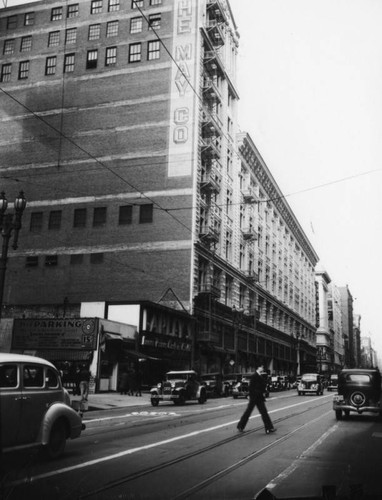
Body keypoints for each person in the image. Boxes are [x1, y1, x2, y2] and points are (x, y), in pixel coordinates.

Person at [237, 364, 276, 434]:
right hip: (255, 397)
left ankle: (269, 428)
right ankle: (240, 426)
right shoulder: (254, 376)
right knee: (251, 412)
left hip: (258, 398)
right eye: (261, 367)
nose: (262, 368)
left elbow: (262, 385)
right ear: (258, 368)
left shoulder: (260, 375)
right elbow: (251, 387)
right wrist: (252, 395)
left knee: (263, 413)